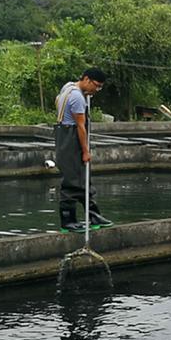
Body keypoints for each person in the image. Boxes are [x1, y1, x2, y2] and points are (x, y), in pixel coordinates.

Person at [54, 68, 113, 232]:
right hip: (70, 139)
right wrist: (86, 151)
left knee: (82, 178)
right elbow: (80, 126)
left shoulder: (68, 87)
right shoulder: (77, 97)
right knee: (73, 181)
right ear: (87, 79)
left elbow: (57, 99)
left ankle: (94, 215)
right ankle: (68, 220)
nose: (97, 90)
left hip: (62, 135)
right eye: (97, 86)